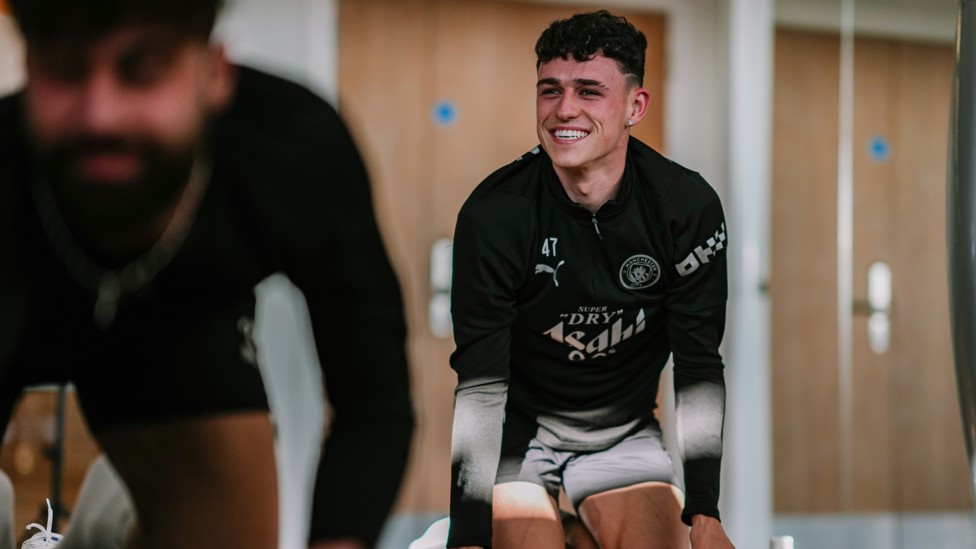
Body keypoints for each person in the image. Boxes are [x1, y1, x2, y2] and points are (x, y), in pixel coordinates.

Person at [0, 0, 414, 548]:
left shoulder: (289, 151)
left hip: (187, 333)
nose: (100, 115)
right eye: (66, 71)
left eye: (142, 70)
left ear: (215, 73)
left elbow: (373, 398)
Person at [447, 10, 734, 549]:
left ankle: (580, 529)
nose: (564, 110)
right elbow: (481, 386)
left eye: (589, 91)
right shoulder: (495, 216)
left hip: (621, 435)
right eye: (549, 90)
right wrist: (467, 535)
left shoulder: (685, 208)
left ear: (635, 106)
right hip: (519, 436)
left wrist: (704, 512)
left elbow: (697, 363)